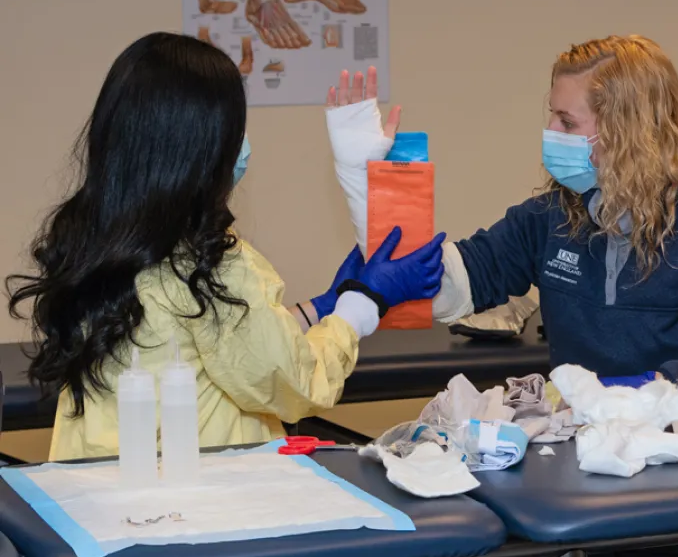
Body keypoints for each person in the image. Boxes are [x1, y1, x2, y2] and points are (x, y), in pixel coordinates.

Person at [325, 35, 678, 557]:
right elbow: (432, 286)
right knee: (486, 543)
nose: (552, 134)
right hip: (585, 463)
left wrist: (647, 389)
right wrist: (370, 186)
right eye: (552, 117)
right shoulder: (552, 218)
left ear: (627, 130)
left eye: (567, 121)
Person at [5, 32, 445, 461]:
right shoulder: (205, 265)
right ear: (200, 150)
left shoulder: (96, 240)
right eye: (234, 131)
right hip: (190, 492)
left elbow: (207, 337)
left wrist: (321, 308)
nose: (243, 146)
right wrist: (362, 303)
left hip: (96, 483)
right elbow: (296, 383)